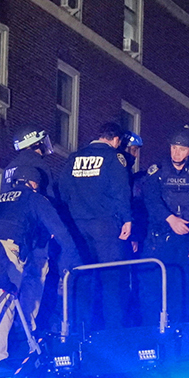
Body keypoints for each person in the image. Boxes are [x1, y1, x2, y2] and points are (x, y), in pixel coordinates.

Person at [0, 169, 77, 363]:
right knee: (7, 298)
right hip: (9, 249)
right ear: (34, 184)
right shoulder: (34, 198)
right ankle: (1, 353)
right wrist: (73, 256)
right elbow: (58, 229)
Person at [61, 122, 138, 329]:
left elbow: (63, 191)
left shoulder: (73, 158)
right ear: (116, 140)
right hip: (105, 226)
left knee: (82, 278)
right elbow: (121, 191)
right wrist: (127, 220)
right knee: (112, 279)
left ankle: (79, 331)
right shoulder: (114, 158)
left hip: (77, 227)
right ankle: (113, 331)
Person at [138, 128, 189, 326]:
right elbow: (150, 199)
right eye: (173, 147)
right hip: (160, 236)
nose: (176, 152)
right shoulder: (158, 169)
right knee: (151, 286)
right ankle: (151, 331)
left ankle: (178, 331)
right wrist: (170, 219)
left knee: (182, 286)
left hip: (188, 239)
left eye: (181, 149)